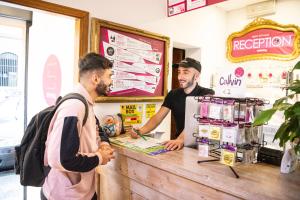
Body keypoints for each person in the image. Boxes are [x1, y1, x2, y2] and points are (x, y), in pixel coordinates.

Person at [41, 53, 115, 200]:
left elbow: (96, 127)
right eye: (109, 76)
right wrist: (100, 157)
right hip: (65, 195)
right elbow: (62, 159)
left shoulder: (84, 102)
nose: (111, 81)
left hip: (82, 192)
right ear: (95, 78)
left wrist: (104, 143)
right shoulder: (75, 107)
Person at [130, 57, 214, 151]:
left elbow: (197, 120)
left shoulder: (207, 94)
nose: (180, 77)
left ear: (196, 75)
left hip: (201, 147)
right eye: (179, 72)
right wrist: (141, 131)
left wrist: (181, 139)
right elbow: (158, 117)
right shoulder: (173, 94)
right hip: (179, 145)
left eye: (185, 72)